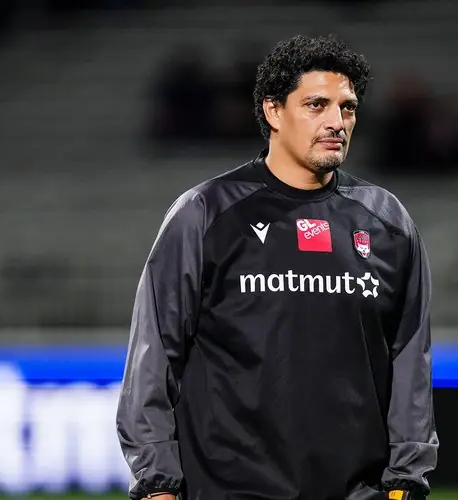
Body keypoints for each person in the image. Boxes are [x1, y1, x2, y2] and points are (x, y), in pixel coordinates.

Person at [116, 34, 439, 500]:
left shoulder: (388, 222)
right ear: (273, 110)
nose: (337, 122)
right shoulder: (205, 215)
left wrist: (406, 479)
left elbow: (409, 362)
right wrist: (156, 485)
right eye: (316, 105)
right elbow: (154, 358)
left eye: (347, 108)